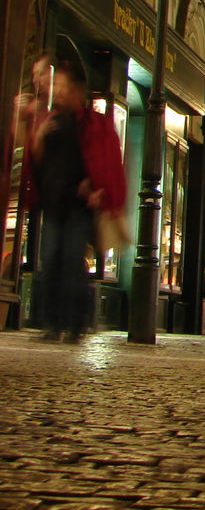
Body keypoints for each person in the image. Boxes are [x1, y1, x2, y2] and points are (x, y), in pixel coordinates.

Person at [20, 55, 126, 343]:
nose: (60, 91)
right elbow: (36, 162)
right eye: (57, 86)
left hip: (79, 204)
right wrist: (38, 135)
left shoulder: (91, 123)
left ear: (77, 89)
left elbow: (104, 160)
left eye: (64, 86)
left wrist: (96, 189)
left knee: (70, 260)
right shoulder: (48, 119)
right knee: (51, 259)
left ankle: (76, 324)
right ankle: (53, 324)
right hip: (52, 203)